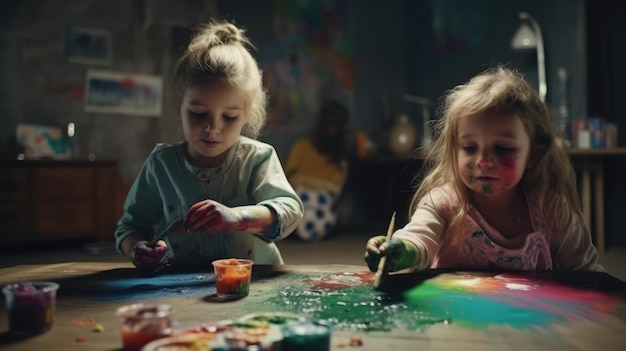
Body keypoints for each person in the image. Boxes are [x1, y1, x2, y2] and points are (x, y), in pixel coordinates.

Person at [364, 66, 604, 273]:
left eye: (502, 148)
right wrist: (400, 250)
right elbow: (418, 239)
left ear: (534, 154)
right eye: (469, 147)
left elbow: (587, 273)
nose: (483, 161)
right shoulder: (444, 203)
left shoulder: (552, 210)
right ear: (454, 150)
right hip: (453, 319)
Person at [114, 20, 304, 274]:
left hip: (257, 281)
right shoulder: (161, 165)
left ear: (248, 114)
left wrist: (237, 218)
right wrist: (137, 248)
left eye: (229, 117)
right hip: (180, 286)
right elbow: (130, 228)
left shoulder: (258, 158)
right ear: (180, 106)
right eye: (198, 113)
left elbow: (290, 210)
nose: (212, 128)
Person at [284, 99, 349, 241]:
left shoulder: (339, 160)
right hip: (299, 197)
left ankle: (306, 228)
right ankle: (302, 226)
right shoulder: (300, 148)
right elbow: (289, 180)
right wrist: (314, 184)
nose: (332, 130)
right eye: (330, 124)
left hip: (322, 201)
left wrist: (306, 181)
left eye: (337, 125)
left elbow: (334, 190)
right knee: (298, 203)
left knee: (321, 208)